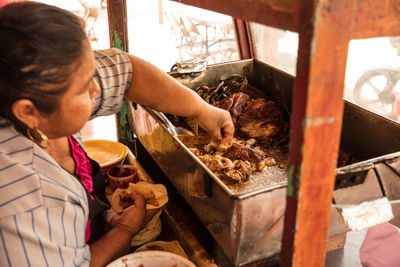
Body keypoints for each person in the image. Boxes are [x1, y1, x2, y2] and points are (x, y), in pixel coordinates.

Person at [0, 2, 234, 267]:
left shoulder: (36, 89)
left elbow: (127, 72)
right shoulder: (29, 203)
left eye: (92, 73)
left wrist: (201, 109)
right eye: (82, 89)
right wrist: (123, 232)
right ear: (28, 111)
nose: (97, 89)